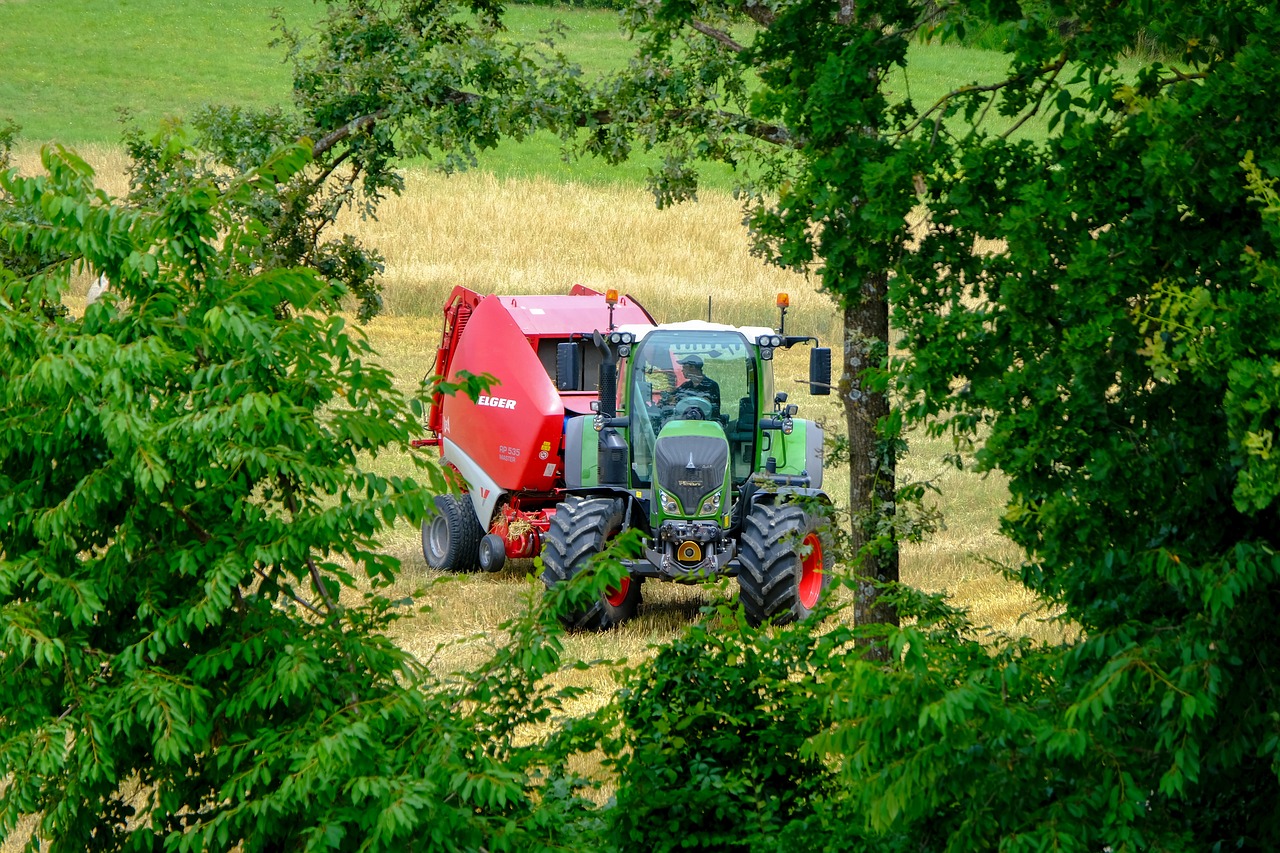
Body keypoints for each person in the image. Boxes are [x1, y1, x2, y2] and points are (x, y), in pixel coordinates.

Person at [674, 354, 721, 419]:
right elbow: (673, 397)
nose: (682, 370)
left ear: (692, 367)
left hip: (706, 423)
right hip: (685, 422)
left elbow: (712, 408)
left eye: (684, 367)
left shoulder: (711, 385)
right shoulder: (685, 386)